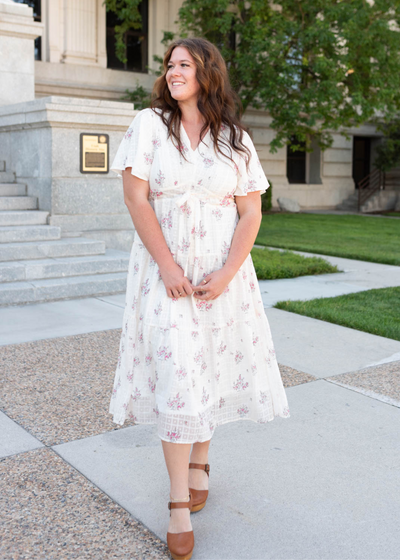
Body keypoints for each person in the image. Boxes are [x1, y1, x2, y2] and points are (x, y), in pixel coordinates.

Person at [109, 37, 289, 560]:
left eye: (184, 64)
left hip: (223, 277)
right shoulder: (148, 125)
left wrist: (228, 272)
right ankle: (177, 502)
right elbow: (135, 196)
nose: (173, 72)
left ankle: (201, 460)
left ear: (208, 72)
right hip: (165, 274)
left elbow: (251, 211)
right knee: (178, 373)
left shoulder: (236, 138)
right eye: (169, 66)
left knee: (210, 364)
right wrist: (168, 265)